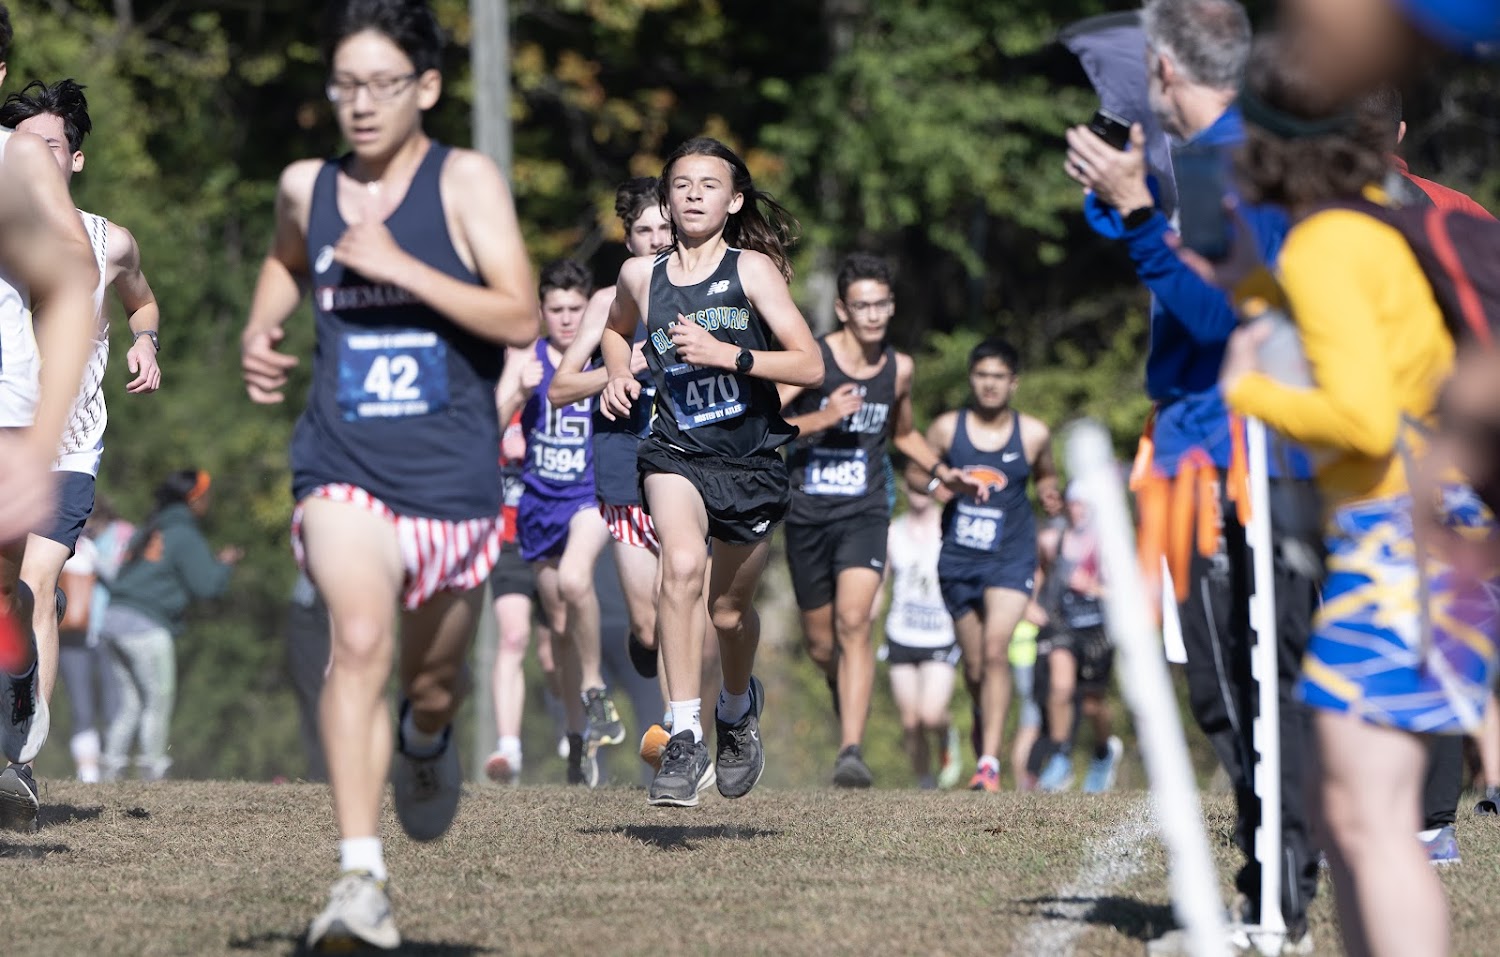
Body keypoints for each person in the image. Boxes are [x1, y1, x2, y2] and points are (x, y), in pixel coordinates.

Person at [238, 1, 537, 949]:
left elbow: (520, 316)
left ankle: (425, 736)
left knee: (433, 680)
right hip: (343, 464)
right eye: (345, 86)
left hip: (451, 477)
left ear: (427, 87)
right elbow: (287, 261)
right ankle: (359, 875)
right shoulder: (307, 185)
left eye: (382, 85)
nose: (361, 105)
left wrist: (403, 267)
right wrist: (260, 328)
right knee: (358, 639)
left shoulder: (465, 181)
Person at [1217, 35, 1499, 957]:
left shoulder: (1326, 244)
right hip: (1440, 534)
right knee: (1363, 814)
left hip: (1399, 544)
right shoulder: (1370, 224)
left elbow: (1365, 421)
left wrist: (1249, 391)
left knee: (1369, 819)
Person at [1064, 1, 1320, 943]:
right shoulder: (1215, 154)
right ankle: (1272, 891)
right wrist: (1122, 190)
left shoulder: (1228, 158)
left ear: (1166, 71)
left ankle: (1277, 902)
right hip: (1199, 448)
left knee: (1246, 688)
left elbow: (1218, 316)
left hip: (1231, 454)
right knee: (1228, 688)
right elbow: (1139, 231)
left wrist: (1137, 209)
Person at [599, 136, 823, 807]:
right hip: (675, 450)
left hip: (748, 460)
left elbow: (810, 364)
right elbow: (614, 329)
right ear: (666, 201)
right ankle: (685, 733)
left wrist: (731, 356)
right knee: (680, 565)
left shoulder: (752, 271)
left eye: (709, 185)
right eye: (682, 184)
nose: (694, 195)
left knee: (728, 614)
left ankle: (735, 708)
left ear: (735, 201)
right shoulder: (640, 276)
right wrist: (617, 373)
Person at [0, 77, 163, 827]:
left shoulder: (108, 241)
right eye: (24, 144)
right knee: (14, 592)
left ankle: (17, 766)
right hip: (9, 428)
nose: (35, 156)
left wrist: (145, 341)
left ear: (75, 159)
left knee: (36, 583)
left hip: (68, 443)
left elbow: (142, 299)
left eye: (51, 146)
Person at [780, 252, 977, 788]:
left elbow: (903, 434)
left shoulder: (899, 368)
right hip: (807, 514)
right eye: (862, 306)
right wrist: (825, 416)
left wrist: (944, 472)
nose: (873, 315)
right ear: (843, 310)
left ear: (891, 307)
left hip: (864, 512)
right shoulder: (812, 359)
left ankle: (851, 751)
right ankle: (840, 685)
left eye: (882, 305)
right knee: (822, 645)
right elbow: (767, 422)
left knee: (855, 622)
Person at [547, 177, 707, 773]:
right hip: (624, 467)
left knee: (677, 601)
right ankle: (648, 652)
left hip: (691, 464)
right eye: (645, 230)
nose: (658, 238)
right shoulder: (606, 303)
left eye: (666, 227)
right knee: (647, 623)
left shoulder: (705, 290)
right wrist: (618, 372)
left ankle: (680, 742)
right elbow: (561, 388)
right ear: (628, 238)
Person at [0, 1, 107, 831]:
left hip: (7, 413)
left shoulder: (18, 165)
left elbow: (78, 279)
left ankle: (13, 748)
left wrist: (43, 436)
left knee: (15, 592)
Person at [495, 260, 622, 786]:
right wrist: (517, 394)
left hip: (588, 498)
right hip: (538, 505)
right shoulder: (524, 358)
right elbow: (490, 425)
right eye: (557, 309)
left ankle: (595, 689)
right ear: (542, 312)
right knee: (562, 629)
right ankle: (578, 736)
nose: (568, 319)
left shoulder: (604, 352)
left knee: (575, 580)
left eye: (575, 308)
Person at [926, 338, 1058, 792]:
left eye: (998, 377)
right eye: (982, 375)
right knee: (977, 666)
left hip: (1010, 556)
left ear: (1013, 382)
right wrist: (940, 484)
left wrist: (1049, 493)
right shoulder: (947, 429)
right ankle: (984, 722)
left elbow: (1046, 474)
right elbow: (917, 473)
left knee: (997, 649)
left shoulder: (1034, 433)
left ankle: (989, 764)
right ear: (971, 379)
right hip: (959, 558)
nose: (989, 384)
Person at [98, 470, 239, 780]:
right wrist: (224, 565)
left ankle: (110, 766)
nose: (209, 501)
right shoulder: (184, 534)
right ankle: (153, 768)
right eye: (206, 495)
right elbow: (206, 586)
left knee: (130, 702)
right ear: (193, 499)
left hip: (112, 620)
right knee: (158, 699)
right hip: (146, 625)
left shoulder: (149, 527)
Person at [483, 410, 558, 786]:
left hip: (552, 537)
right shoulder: (492, 397)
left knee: (551, 654)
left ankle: (575, 728)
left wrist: (533, 452)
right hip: (507, 541)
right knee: (513, 637)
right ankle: (509, 749)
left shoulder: (554, 398)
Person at [1034, 488, 1124, 794]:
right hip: (1064, 626)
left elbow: (1127, 592)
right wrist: (1032, 603)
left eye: (1085, 503)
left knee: (1091, 704)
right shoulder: (1052, 541)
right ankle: (1060, 757)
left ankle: (1103, 752)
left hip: (1098, 630)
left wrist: (1093, 588)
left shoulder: (1109, 544)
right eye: (1074, 503)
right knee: (1060, 688)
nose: (1079, 509)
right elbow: (1037, 573)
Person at [880, 485, 963, 789]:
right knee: (911, 722)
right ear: (905, 486)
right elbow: (880, 581)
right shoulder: (893, 532)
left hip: (940, 635)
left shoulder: (951, 526)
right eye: (914, 483)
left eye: (927, 482)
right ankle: (925, 785)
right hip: (901, 635)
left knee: (930, 714)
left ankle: (946, 733)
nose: (920, 490)